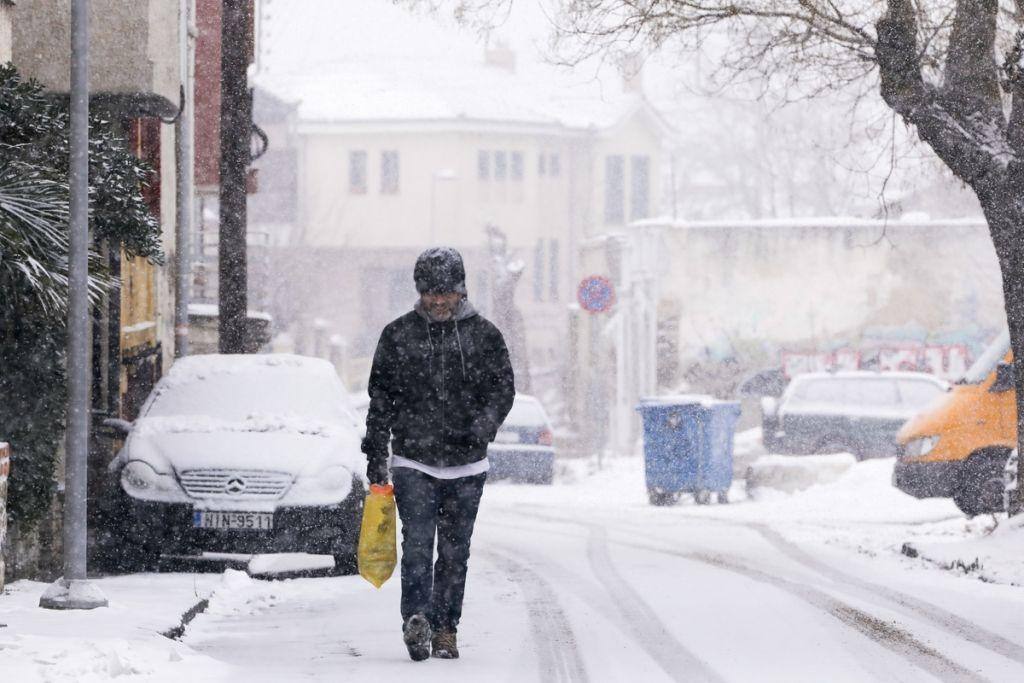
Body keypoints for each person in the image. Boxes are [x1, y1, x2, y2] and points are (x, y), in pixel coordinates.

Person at [362, 247, 515, 661]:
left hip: (467, 465)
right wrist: (376, 453)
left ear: (462, 290)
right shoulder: (398, 335)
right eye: (431, 292)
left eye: (447, 292)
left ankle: (446, 628)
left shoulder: (484, 336)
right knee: (416, 546)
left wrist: (482, 427)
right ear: (419, 292)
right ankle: (417, 620)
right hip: (413, 460)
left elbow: (503, 390)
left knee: (453, 552)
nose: (439, 300)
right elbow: (381, 399)